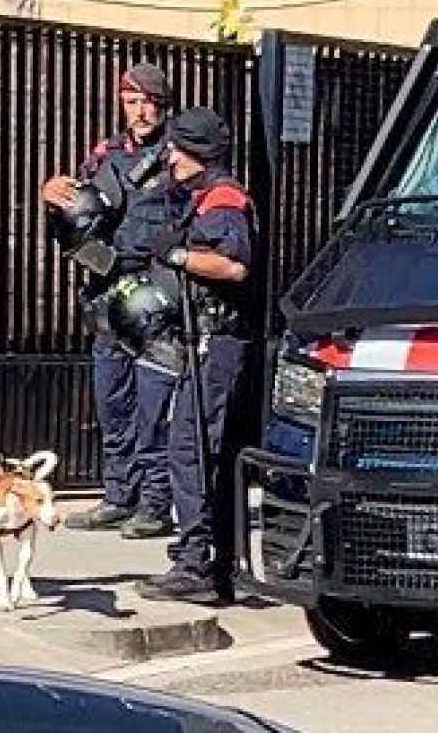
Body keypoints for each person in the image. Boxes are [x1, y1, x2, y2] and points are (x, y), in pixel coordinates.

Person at [41, 62, 177, 540]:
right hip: (106, 292)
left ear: (163, 104)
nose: (139, 112)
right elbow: (78, 215)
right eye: (131, 101)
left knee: (152, 405)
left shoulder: (177, 155)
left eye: (148, 102)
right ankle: (120, 494)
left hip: (155, 296)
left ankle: (155, 502)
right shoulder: (106, 155)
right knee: (112, 401)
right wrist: (53, 195)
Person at [135, 107, 255, 604]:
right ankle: (206, 556)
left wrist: (180, 256)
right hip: (204, 343)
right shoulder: (201, 196)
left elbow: (233, 266)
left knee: (192, 447)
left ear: (200, 155)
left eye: (179, 150)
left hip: (217, 345)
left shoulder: (223, 200)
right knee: (195, 445)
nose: (171, 158)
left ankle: (197, 563)